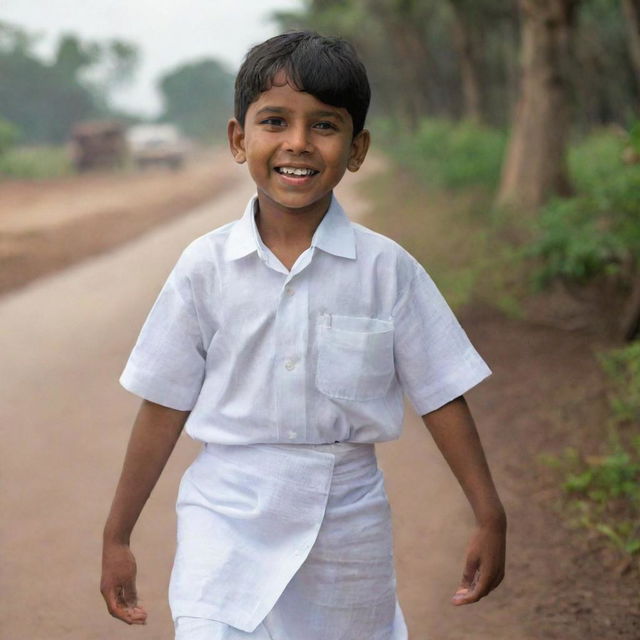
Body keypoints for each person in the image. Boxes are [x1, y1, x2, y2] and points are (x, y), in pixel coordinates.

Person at [100, 30, 506, 640]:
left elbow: (441, 390)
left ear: (357, 148)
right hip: (226, 513)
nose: (297, 143)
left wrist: (489, 512)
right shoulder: (203, 269)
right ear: (239, 139)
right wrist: (117, 534)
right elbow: (164, 403)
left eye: (324, 125)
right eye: (274, 121)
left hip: (348, 528)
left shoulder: (386, 270)